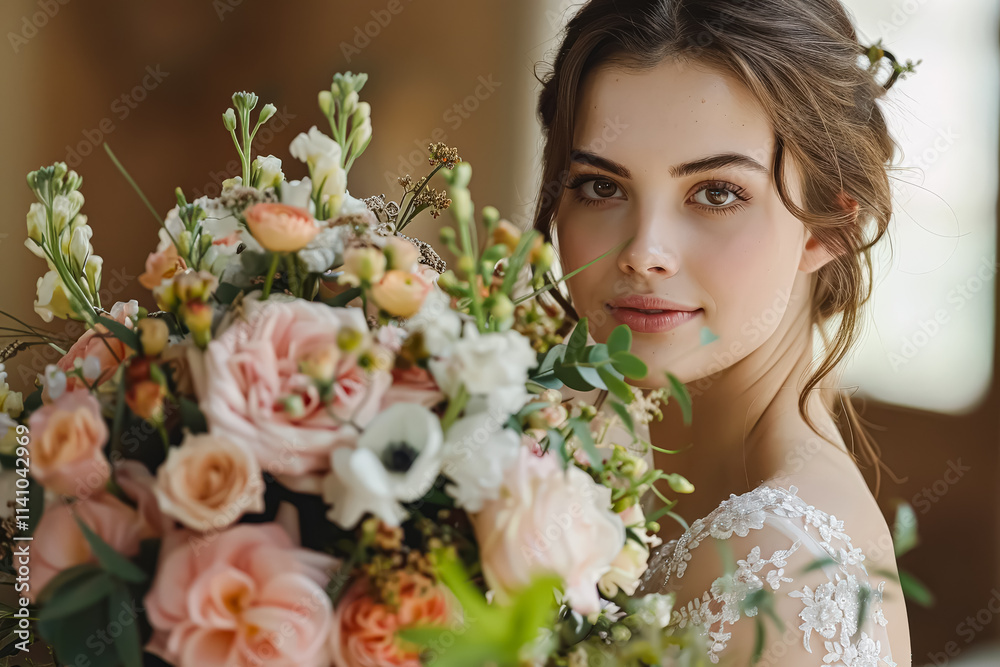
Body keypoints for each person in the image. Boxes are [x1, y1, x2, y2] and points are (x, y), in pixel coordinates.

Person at [531, 0, 912, 664]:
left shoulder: (777, 578)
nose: (644, 251)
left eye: (716, 193)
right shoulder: (566, 472)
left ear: (831, 223)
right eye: (600, 185)